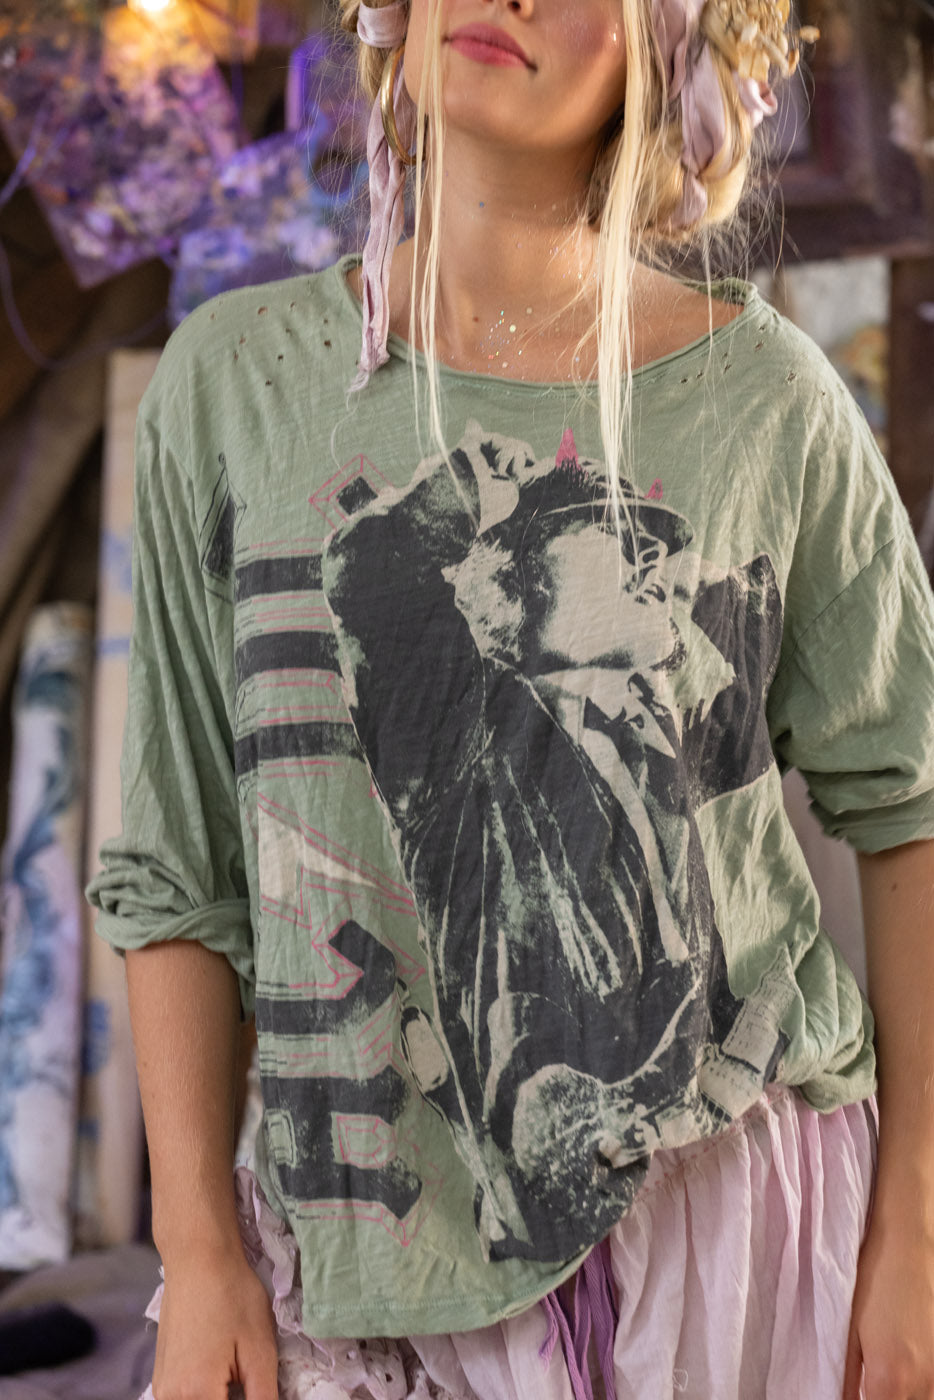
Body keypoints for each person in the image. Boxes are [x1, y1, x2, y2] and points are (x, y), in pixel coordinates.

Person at [87, 0, 934, 1397]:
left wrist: (914, 1234)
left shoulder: (769, 399)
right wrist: (197, 1248)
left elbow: (911, 804)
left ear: (671, 50)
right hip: (363, 1225)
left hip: (732, 1223)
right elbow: (179, 869)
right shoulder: (236, 385)